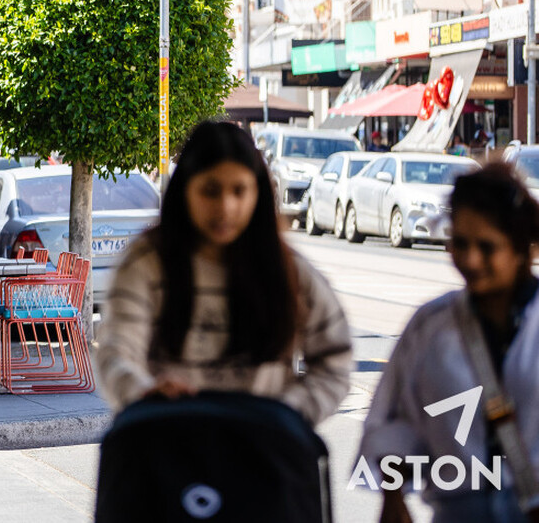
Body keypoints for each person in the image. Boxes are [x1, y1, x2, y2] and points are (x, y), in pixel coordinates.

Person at [96, 120, 352, 427]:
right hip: (167, 445)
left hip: (263, 448)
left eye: (239, 191)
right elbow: (116, 353)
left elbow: (335, 362)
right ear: (185, 189)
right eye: (210, 191)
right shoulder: (145, 263)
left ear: (258, 193)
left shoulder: (290, 270)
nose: (226, 207)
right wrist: (146, 394)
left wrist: (287, 413)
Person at [360, 163, 539, 523]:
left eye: (487, 247)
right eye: (459, 243)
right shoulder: (430, 326)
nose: (470, 259)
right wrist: (393, 499)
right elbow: (397, 420)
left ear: (522, 250)